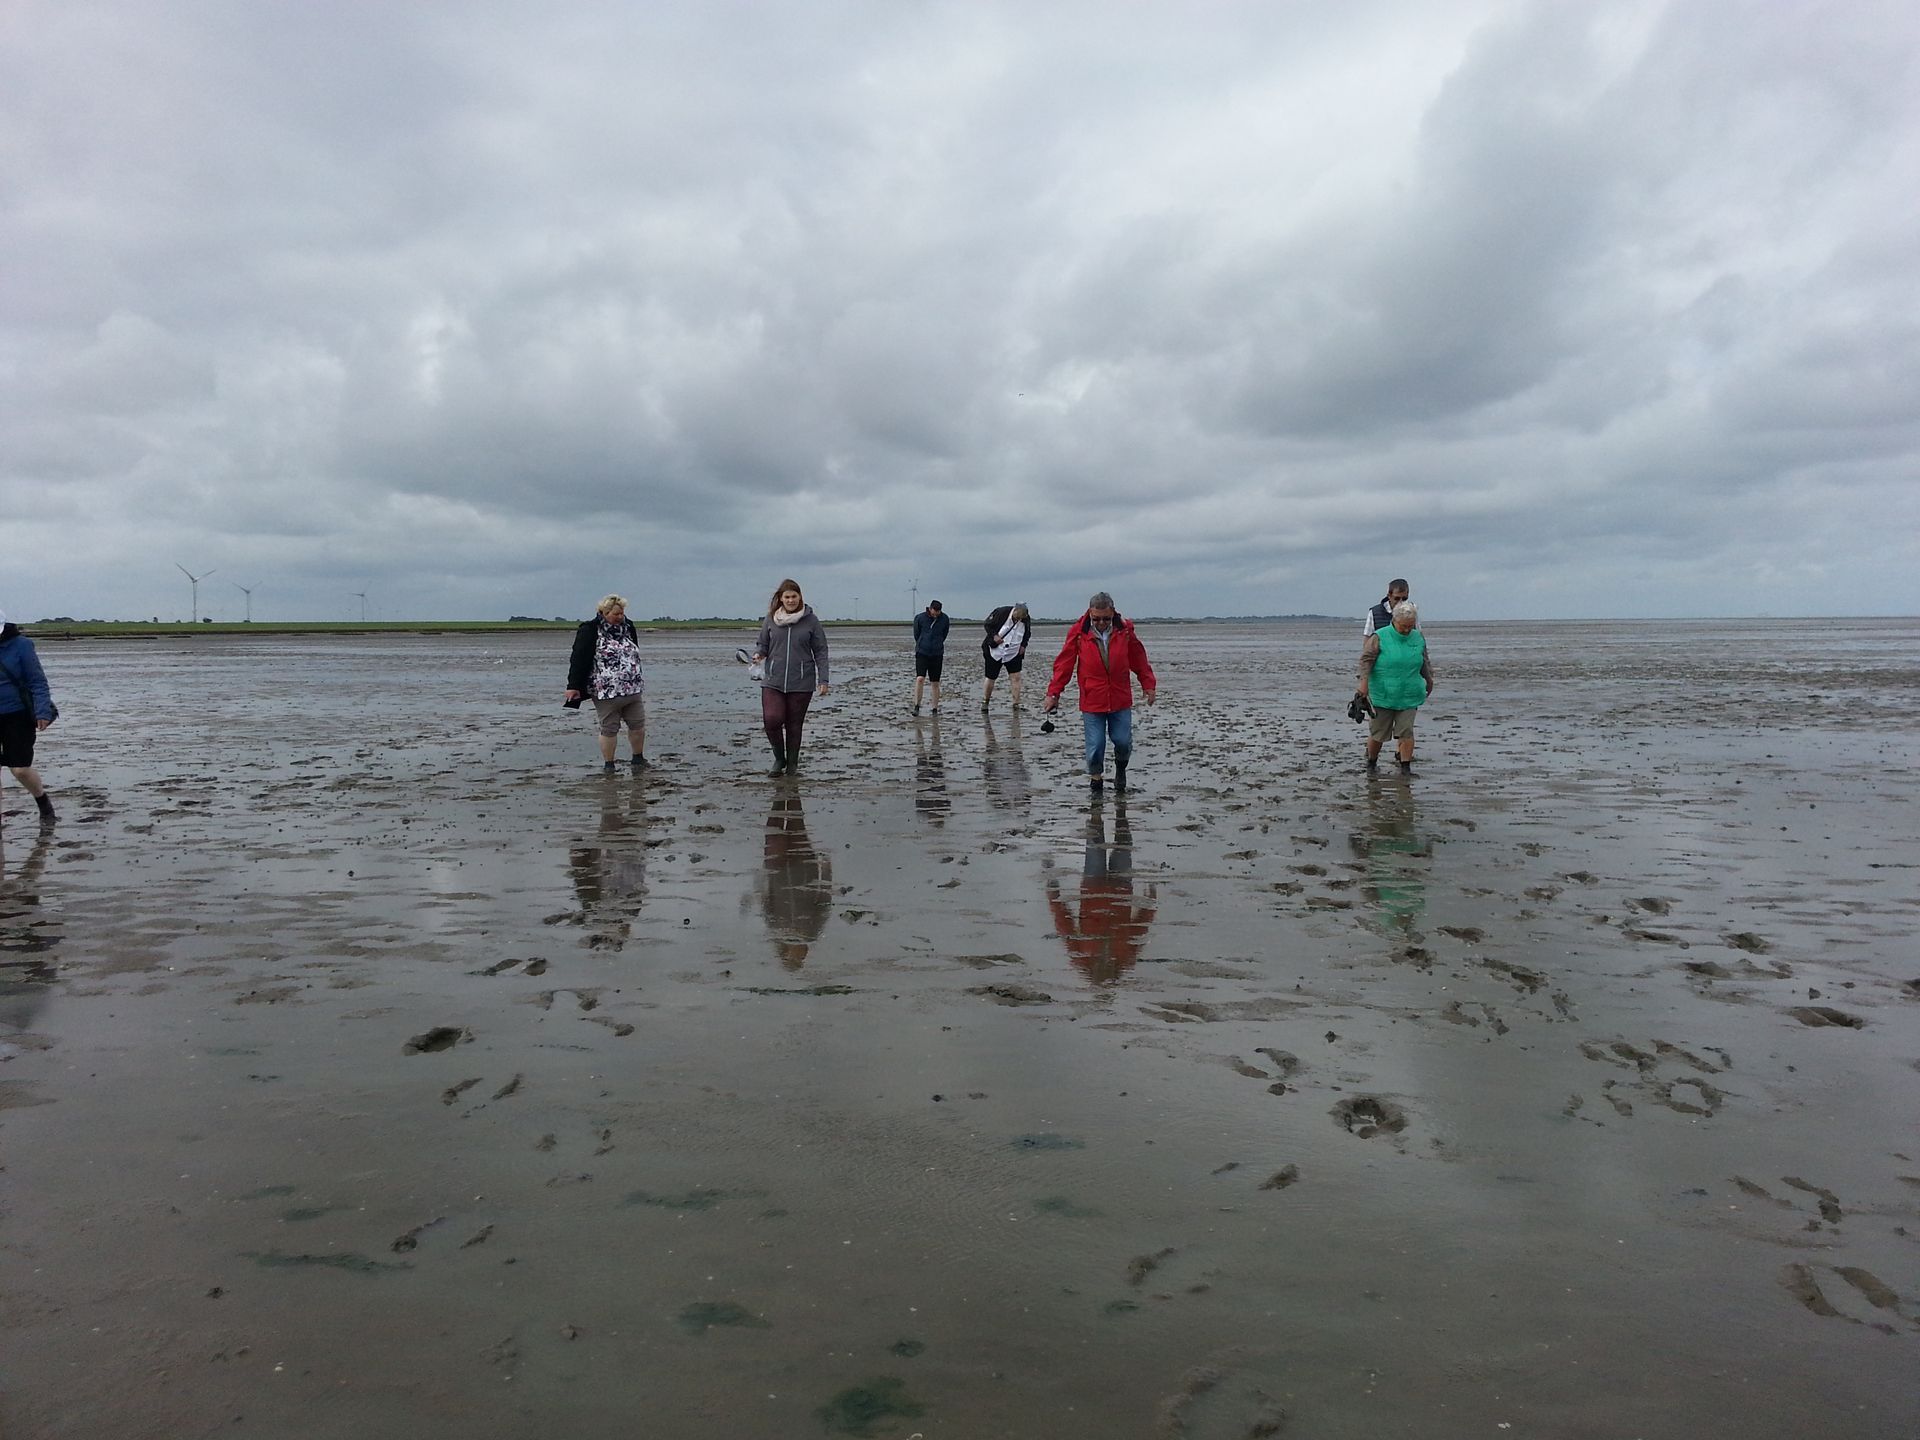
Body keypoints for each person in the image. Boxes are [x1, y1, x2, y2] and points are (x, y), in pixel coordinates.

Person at [1044, 591, 1156, 795]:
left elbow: (1138, 658)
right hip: (1092, 698)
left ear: (1112, 612)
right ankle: (1096, 783)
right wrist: (1054, 693)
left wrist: (1148, 684)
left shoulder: (1125, 630)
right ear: (1090, 613)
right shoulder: (1079, 632)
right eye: (1096, 619)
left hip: (1120, 697)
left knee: (1122, 741)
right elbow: (1064, 664)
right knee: (1095, 745)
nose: (1101, 623)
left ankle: (1120, 769)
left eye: (1106, 618)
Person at [753, 578, 829, 776]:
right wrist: (759, 654)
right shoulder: (771, 619)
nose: (791, 600)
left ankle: (792, 765)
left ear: (800, 597)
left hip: (802, 681)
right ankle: (779, 759)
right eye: (787, 597)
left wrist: (823, 679)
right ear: (781, 598)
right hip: (773, 679)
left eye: (794, 596)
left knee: (794, 725)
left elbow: (821, 651)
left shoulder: (811, 621)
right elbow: (762, 644)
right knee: (772, 719)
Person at [564, 595, 649, 773]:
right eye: (616, 614)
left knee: (638, 724)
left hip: (632, 688)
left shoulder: (628, 627)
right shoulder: (590, 630)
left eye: (622, 613)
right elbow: (578, 658)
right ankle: (609, 765)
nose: (620, 617)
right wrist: (573, 686)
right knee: (609, 728)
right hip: (605, 690)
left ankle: (638, 758)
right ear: (604, 612)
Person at [1356, 600, 1434, 775]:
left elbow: (1423, 660)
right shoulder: (1379, 636)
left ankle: (1405, 768)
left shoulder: (1418, 637)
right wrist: (1363, 685)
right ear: (1394, 620)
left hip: (1409, 692)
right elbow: (1366, 661)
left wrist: (1429, 679)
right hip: (1383, 693)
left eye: (1410, 626)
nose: (1407, 630)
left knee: (1406, 732)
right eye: (1403, 626)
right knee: (1378, 733)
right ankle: (1371, 763)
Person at [0, 607, 58, 826]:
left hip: (17, 715)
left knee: (20, 769)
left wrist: (42, 711)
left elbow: (37, 681)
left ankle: (42, 801)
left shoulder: (22, 646)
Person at [981, 603, 1032, 711]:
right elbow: (987, 625)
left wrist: (1023, 645)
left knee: (1016, 677)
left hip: (1014, 652)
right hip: (995, 651)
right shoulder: (1001, 612)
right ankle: (985, 702)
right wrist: (994, 636)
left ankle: (1016, 704)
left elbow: (1027, 633)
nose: (1019, 619)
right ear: (1015, 611)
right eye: (1018, 617)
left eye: (1021, 618)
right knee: (990, 677)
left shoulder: (1026, 619)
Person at [911, 599, 948, 715]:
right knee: (920, 678)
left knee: (935, 682)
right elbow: (916, 634)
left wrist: (938, 643)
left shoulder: (944, 619)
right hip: (922, 652)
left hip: (937, 654)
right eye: (935, 611)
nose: (936, 613)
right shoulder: (920, 618)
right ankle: (917, 706)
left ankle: (934, 708)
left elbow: (944, 634)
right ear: (930, 609)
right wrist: (922, 643)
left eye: (938, 611)